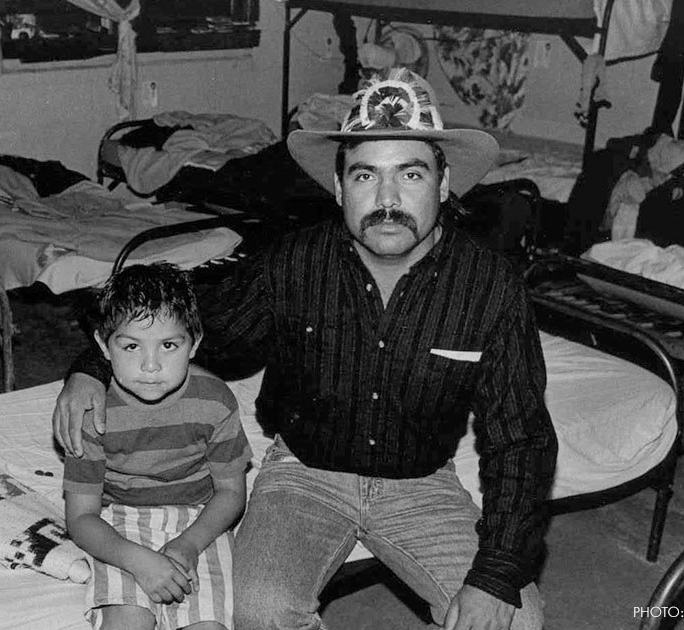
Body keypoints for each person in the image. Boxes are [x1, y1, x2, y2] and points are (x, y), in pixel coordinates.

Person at [55, 68, 557, 630]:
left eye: (410, 174)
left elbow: (523, 440)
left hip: (423, 482)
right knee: (258, 613)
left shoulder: (490, 287)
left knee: (517, 621)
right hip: (304, 473)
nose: (387, 198)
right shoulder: (293, 262)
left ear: (443, 185)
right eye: (366, 176)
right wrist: (93, 366)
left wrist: (495, 575)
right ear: (339, 188)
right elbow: (193, 326)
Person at [62, 262, 252, 630]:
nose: (150, 365)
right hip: (118, 524)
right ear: (103, 344)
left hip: (201, 521)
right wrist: (138, 560)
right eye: (131, 346)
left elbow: (231, 493)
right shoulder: (91, 412)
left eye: (168, 345)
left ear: (194, 343)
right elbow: (81, 518)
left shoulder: (216, 402)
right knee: (125, 624)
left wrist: (190, 544)